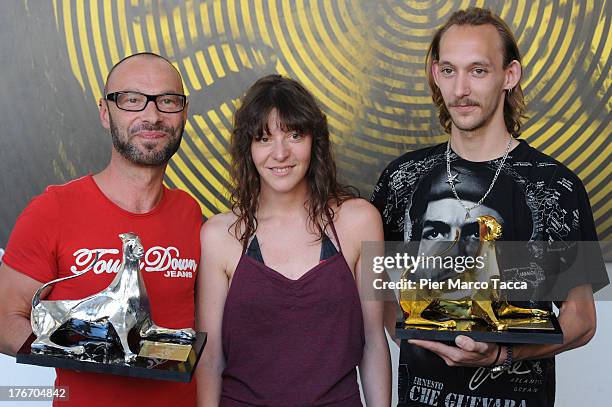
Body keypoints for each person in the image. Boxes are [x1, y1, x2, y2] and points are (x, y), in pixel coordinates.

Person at [371, 8, 609, 407]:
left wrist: (503, 354)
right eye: (449, 70)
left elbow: (582, 319)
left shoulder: (555, 186)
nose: (461, 88)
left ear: (509, 75)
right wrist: (415, 333)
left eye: (478, 70)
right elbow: (375, 289)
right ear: (435, 74)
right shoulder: (401, 179)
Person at [0, 52, 202, 406]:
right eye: (132, 100)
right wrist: (81, 352)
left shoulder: (191, 214)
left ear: (183, 113)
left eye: (167, 101)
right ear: (105, 113)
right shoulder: (53, 210)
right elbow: (3, 318)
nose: (151, 115)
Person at [196, 74, 391, 406]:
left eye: (294, 134)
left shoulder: (360, 221)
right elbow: (210, 359)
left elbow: (373, 342)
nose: (281, 153)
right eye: (264, 138)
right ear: (249, 149)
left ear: (315, 141)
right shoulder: (219, 235)